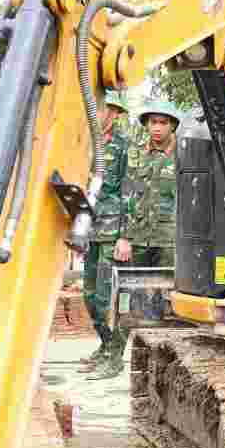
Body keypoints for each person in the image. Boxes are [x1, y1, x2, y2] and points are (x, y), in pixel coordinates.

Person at [92, 99, 179, 379]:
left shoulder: (185, 155)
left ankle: (164, 369)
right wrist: (123, 238)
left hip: (169, 241)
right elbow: (127, 196)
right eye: (152, 122)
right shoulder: (137, 155)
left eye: (162, 122)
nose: (156, 128)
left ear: (172, 126)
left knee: (168, 305)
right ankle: (113, 358)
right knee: (127, 302)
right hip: (138, 239)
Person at [82, 91, 132, 375]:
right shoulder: (84, 143)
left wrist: (125, 236)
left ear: (115, 114)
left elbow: (130, 193)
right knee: (90, 297)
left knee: (108, 298)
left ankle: (114, 357)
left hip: (113, 232)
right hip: (89, 229)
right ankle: (104, 346)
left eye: (106, 110)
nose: (100, 114)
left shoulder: (124, 147)